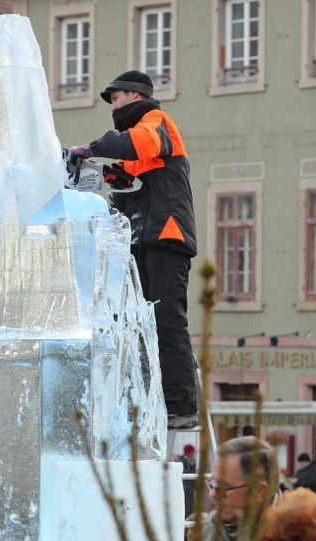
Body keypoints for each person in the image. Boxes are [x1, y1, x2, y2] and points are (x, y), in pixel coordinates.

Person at [67, 70, 198, 429]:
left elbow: (133, 145)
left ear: (135, 96)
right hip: (140, 241)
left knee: (167, 323)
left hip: (165, 237)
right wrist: (93, 172)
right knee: (140, 327)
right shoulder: (139, 141)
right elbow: (126, 177)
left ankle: (180, 406)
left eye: (117, 98)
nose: (113, 105)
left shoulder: (157, 124)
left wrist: (92, 149)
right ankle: (151, 401)